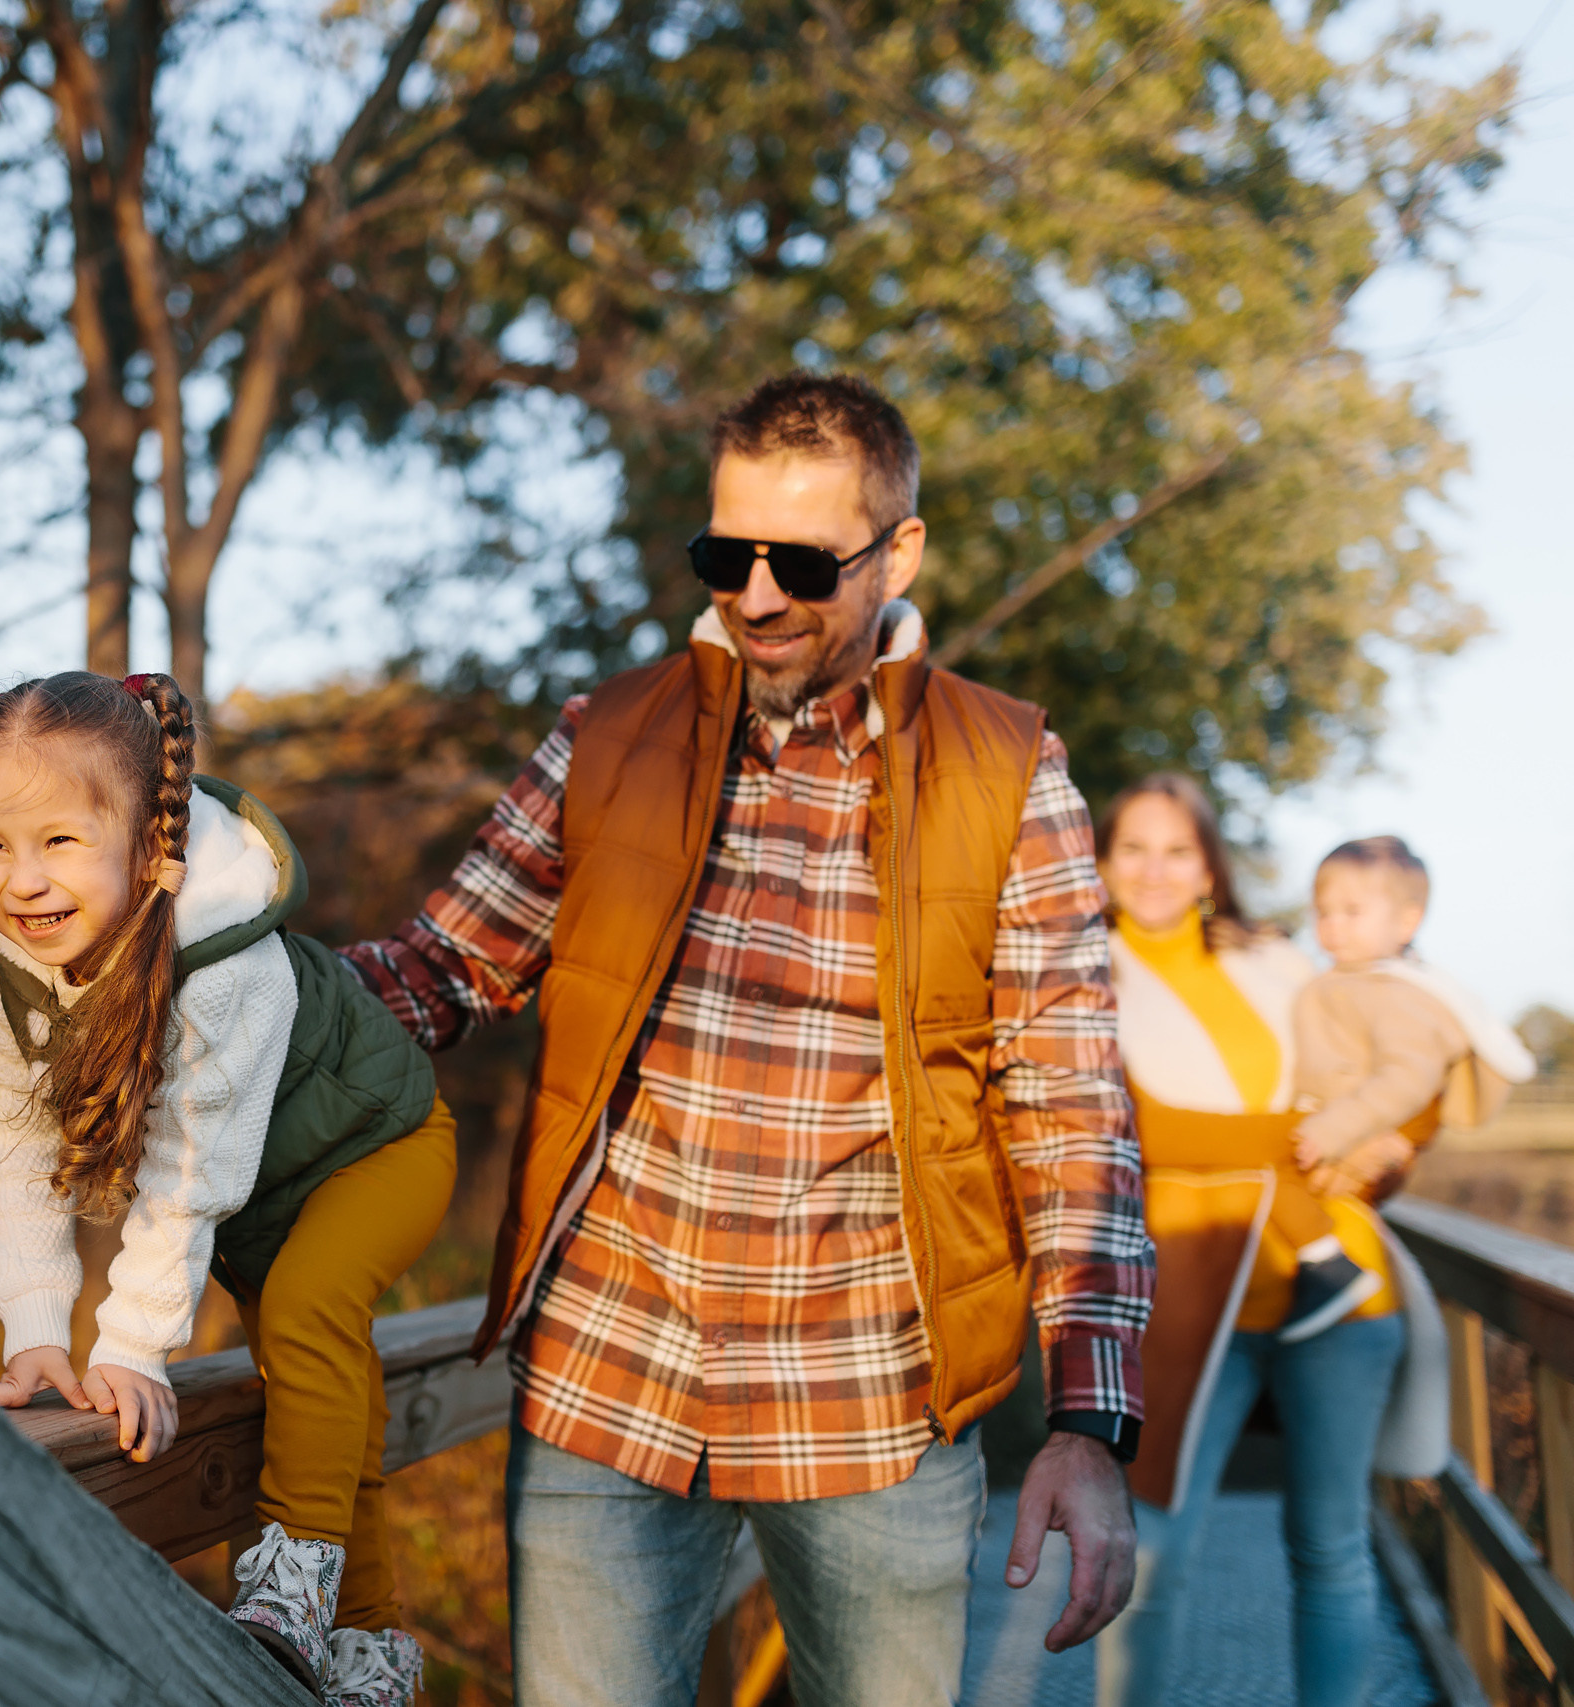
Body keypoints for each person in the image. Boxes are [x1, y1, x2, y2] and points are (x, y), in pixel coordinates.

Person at [339, 373, 1153, 1707]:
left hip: (874, 1402)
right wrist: (217, 973)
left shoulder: (1009, 770)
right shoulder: (609, 738)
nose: (758, 596)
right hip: (610, 1375)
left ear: (898, 551)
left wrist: (1088, 1418)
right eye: (727, 556)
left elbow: (1071, 1113)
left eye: (802, 563)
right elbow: (438, 970)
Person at [0, 671, 454, 1707]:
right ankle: (368, 1655)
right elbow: (13, 1145)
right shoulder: (4, 960)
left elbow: (187, 1173)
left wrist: (131, 1350)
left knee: (307, 1316)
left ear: (148, 842)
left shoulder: (225, 963)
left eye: (60, 841)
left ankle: (290, 1585)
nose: (23, 882)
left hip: (374, 1150)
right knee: (316, 1382)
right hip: (260, 1194)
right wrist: (37, 1331)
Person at [1089, 777, 1448, 1707]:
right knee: (1151, 1552)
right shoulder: (1082, 976)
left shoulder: (1282, 961)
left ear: (1210, 863)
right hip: (1188, 1299)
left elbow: (1410, 1065)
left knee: (1331, 1545)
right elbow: (1142, 1129)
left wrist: (1392, 1145)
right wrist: (1303, 1134)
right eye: (1134, 848)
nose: (1156, 870)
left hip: (1341, 1289)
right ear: (1099, 860)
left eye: (1178, 849)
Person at [1294, 835, 1535, 1197]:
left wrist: (1334, 1128)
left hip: (1347, 1146)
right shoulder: (1343, 979)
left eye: (1352, 911)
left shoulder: (1400, 994)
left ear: (1407, 922)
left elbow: (1408, 1077)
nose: (1333, 925)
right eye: (1323, 912)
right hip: (1318, 1135)